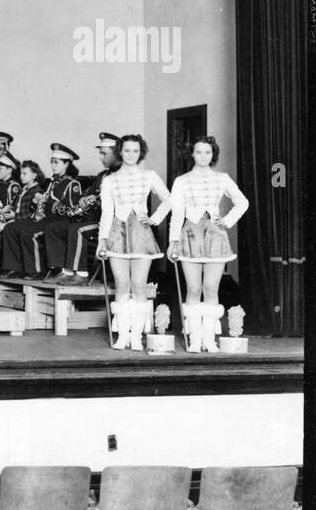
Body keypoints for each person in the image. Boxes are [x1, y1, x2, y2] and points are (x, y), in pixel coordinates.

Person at [168, 136, 250, 353]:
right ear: (192, 154)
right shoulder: (182, 181)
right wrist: (173, 242)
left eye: (207, 152)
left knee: (211, 287)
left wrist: (227, 220)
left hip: (215, 236)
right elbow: (176, 214)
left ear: (213, 155)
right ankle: (195, 339)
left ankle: (209, 338)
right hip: (190, 235)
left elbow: (243, 202)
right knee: (194, 289)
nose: (203, 156)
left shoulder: (222, 178)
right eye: (199, 152)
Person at [97, 134, 171, 350]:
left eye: (135, 151)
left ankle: (137, 336)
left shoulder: (149, 176)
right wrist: (103, 239)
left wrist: (154, 219)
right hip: (116, 234)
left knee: (139, 285)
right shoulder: (109, 180)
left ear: (141, 153)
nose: (131, 154)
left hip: (141, 234)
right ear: (120, 151)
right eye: (127, 150)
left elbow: (169, 199)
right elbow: (106, 212)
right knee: (121, 284)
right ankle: (123, 335)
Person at [0, 145, 79, 280]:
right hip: (46, 219)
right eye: (52, 162)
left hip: (60, 221)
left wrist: (48, 205)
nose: (53, 166)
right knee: (11, 228)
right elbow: (43, 206)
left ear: (66, 164)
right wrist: (38, 203)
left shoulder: (71, 183)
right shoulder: (52, 182)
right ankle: (14, 268)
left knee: (27, 231)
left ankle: (36, 270)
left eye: (56, 162)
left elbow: (71, 210)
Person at [51, 132, 120, 285]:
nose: (100, 157)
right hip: (94, 217)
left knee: (77, 229)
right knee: (58, 227)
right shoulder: (103, 175)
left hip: (109, 222)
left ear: (117, 153)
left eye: (104, 154)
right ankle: (66, 271)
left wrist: (98, 200)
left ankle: (81, 274)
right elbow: (88, 192)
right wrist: (84, 198)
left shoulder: (121, 175)